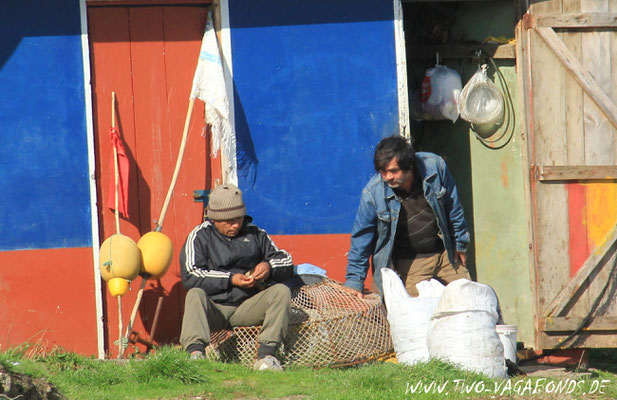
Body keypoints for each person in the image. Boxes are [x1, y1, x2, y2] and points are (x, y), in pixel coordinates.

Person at [179, 184, 293, 371]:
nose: (236, 225)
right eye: (229, 221)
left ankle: (266, 357)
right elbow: (191, 275)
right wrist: (231, 279)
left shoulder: (256, 234)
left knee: (281, 291)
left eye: (239, 219)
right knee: (194, 294)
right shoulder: (199, 236)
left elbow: (286, 260)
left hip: (247, 306)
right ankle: (195, 355)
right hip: (214, 308)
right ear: (215, 219)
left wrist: (268, 266)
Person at [344, 135, 470, 297]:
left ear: (409, 165)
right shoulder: (373, 194)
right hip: (412, 264)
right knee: (418, 314)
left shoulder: (435, 168)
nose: (387, 177)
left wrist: (459, 243)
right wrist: (355, 281)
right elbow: (361, 239)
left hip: (446, 255)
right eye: (383, 172)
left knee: (469, 298)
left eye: (393, 171)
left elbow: (453, 206)